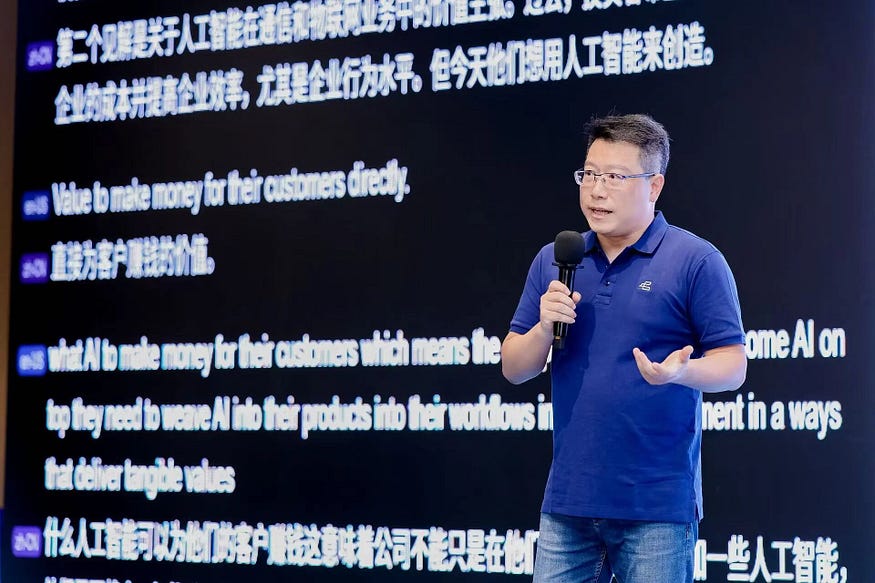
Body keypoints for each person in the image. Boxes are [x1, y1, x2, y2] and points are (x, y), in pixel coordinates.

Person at [501, 114, 747, 583]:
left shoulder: (695, 260)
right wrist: (543, 328)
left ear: (654, 186)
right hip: (568, 503)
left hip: (655, 507)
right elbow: (514, 367)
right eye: (589, 174)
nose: (596, 191)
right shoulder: (557, 259)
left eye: (614, 177)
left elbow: (733, 365)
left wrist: (680, 373)